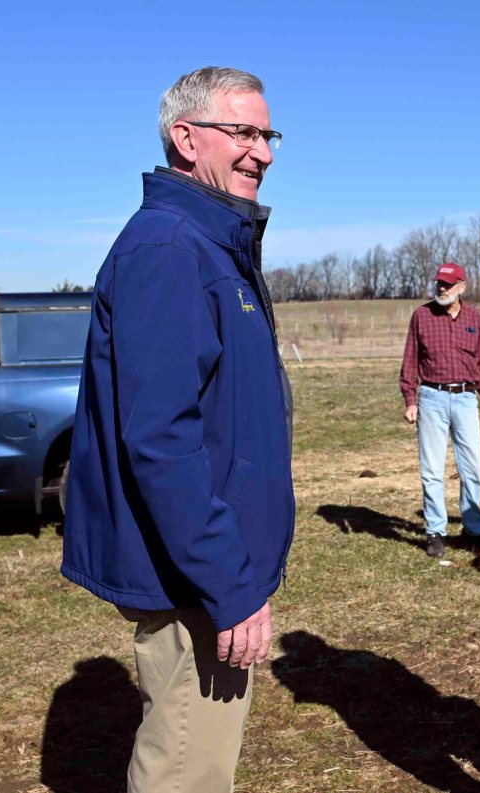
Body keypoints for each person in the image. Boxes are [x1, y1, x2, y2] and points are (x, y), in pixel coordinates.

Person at [60, 67, 294, 793]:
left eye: (268, 133)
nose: (263, 151)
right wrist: (228, 580)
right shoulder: (170, 249)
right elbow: (161, 438)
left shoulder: (209, 243)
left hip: (209, 569)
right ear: (185, 139)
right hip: (194, 578)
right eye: (243, 132)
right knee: (186, 770)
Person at [400, 262, 480, 558]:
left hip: (466, 398)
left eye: (448, 284)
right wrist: (410, 399)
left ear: (461, 287)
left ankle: (474, 529)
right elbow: (410, 359)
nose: (441, 289)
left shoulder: (474, 319)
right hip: (431, 397)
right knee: (432, 469)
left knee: (473, 468)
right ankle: (435, 531)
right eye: (439, 284)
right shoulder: (422, 316)